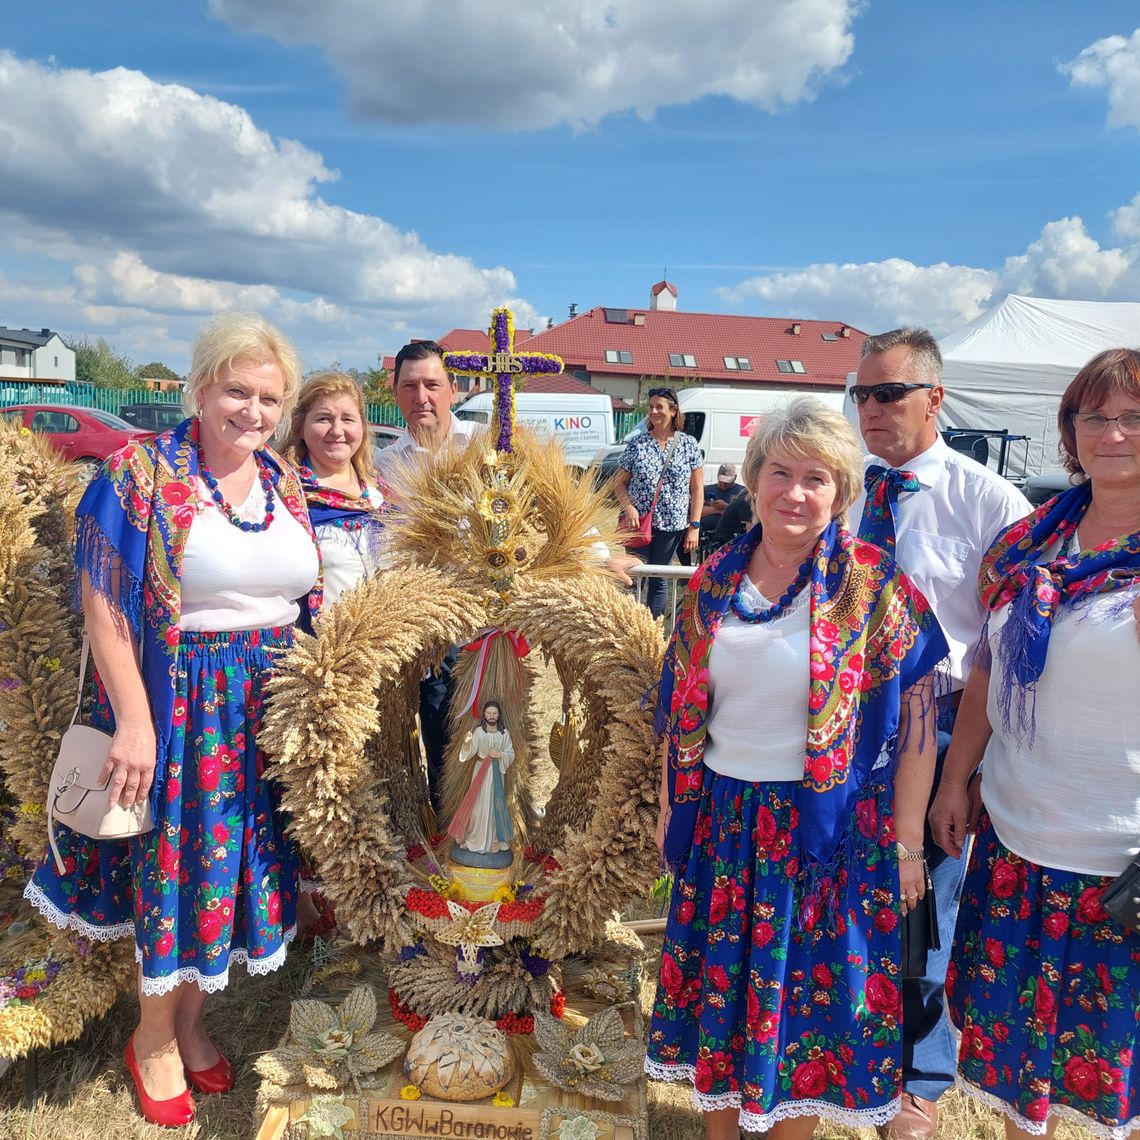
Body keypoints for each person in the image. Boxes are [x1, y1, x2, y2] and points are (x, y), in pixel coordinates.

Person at [23, 312, 321, 1127]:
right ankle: (152, 1036)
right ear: (200, 388)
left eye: (269, 397)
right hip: (183, 704)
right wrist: (136, 722)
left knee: (230, 872)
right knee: (179, 872)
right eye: (237, 390)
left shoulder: (282, 481)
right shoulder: (140, 474)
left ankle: (192, 1021)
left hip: (268, 707)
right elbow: (104, 606)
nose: (253, 411)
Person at [646, 396, 948, 1139]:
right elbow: (677, 709)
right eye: (780, 472)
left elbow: (916, 722)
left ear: (841, 493)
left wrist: (908, 842)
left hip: (827, 836)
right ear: (752, 479)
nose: (796, 492)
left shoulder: (874, 588)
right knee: (721, 1008)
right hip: (723, 824)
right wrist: (664, 810)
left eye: (818, 478)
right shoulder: (711, 582)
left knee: (804, 1019)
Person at [929, 348, 1140, 1140]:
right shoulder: (1028, 547)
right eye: (1096, 416)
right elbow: (986, 671)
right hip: (1021, 843)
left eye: (1132, 417)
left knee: (1117, 1078)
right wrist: (957, 780)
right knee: (1022, 1076)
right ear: (1070, 432)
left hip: (1123, 859)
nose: (1113, 433)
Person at [848, 326, 1030, 1140]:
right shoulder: (844, 487)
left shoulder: (990, 502)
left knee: (929, 902)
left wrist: (964, 772)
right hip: (844, 726)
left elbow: (1009, 649)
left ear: (935, 398)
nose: (870, 409)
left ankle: (919, 1080)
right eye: (861, 394)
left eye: (888, 393)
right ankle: (845, 1046)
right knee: (845, 893)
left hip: (946, 724)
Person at [282, 371, 385, 607]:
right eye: (324, 419)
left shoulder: (379, 491)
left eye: (348, 419)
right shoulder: (286, 495)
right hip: (317, 639)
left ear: (362, 427)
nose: (337, 430)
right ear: (300, 428)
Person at [614, 386, 704, 618]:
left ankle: (653, 627)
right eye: (650, 407)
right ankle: (631, 623)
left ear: (673, 411)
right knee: (635, 573)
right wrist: (629, 507)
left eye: (659, 407)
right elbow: (618, 483)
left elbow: (697, 489)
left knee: (659, 576)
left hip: (672, 524)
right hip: (638, 523)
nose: (653, 411)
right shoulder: (637, 444)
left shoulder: (688, 445)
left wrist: (694, 526)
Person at [447, 700, 515, 860]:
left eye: (495, 713)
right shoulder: (479, 732)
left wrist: (500, 755)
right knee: (477, 807)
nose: (492, 716)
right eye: (489, 713)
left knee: (494, 806)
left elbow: (511, 753)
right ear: (484, 714)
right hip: (480, 772)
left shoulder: (504, 734)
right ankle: (473, 837)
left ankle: (493, 840)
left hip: (497, 773)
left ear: (499, 715)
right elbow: (469, 753)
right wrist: (466, 743)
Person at [680, 461, 745, 566]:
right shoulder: (708, 489)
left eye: (727, 482)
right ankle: (687, 570)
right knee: (682, 537)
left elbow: (742, 515)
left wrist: (726, 507)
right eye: (721, 481)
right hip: (704, 527)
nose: (723, 484)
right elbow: (696, 511)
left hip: (729, 530)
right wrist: (718, 510)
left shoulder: (741, 492)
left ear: (735, 478)